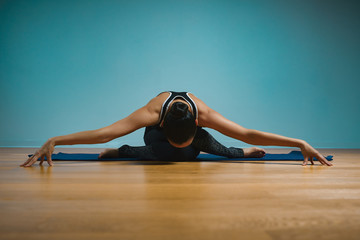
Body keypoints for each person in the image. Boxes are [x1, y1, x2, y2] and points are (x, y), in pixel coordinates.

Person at [21, 91, 332, 167]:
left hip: (197, 137)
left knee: (216, 148)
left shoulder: (204, 115)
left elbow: (247, 133)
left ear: (197, 122)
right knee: (163, 153)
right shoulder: (151, 113)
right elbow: (105, 132)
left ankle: (237, 155)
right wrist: (54, 140)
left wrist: (299, 141)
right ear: (161, 122)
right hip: (156, 142)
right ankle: (126, 152)